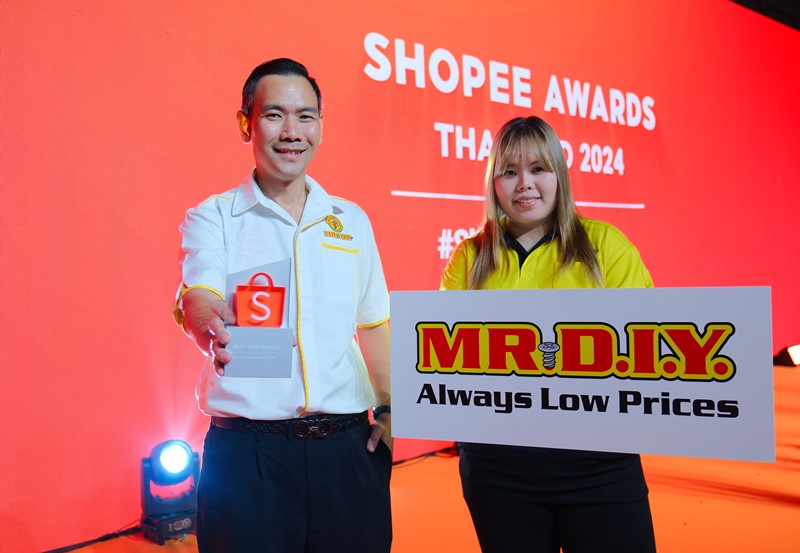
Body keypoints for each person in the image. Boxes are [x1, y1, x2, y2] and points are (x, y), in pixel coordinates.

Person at [174, 58, 392, 553]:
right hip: (249, 458)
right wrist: (212, 329)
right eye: (274, 115)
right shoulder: (214, 218)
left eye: (305, 116)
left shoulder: (350, 220)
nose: (292, 131)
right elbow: (199, 297)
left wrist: (391, 410)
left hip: (346, 451)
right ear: (245, 124)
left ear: (320, 125)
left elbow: (374, 322)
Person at [440, 116, 657, 553]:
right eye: (509, 171)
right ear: (493, 183)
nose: (525, 183)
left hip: (600, 466)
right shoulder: (469, 257)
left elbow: (647, 353)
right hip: (498, 471)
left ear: (559, 174)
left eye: (538, 168)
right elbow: (446, 364)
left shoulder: (607, 247)